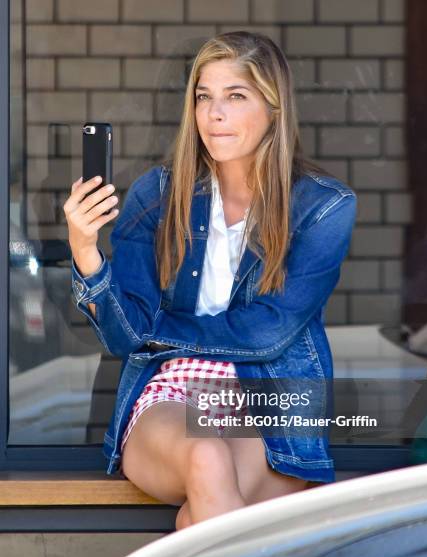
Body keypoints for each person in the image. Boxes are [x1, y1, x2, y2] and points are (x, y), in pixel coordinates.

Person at [64, 31, 357, 531]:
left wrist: (160, 332)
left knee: (201, 518)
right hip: (172, 389)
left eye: (235, 97)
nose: (214, 114)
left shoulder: (324, 205)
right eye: (204, 97)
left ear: (274, 108)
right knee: (206, 459)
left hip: (272, 392)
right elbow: (124, 335)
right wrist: (85, 251)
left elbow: (268, 331)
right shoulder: (156, 194)